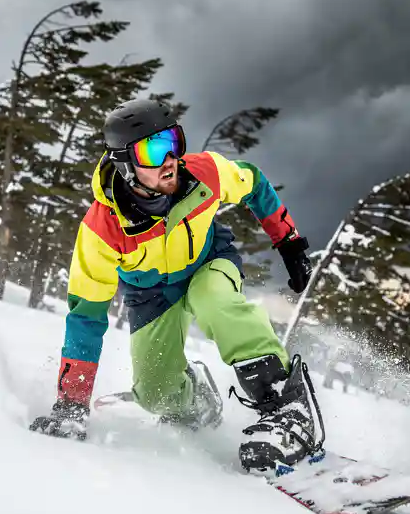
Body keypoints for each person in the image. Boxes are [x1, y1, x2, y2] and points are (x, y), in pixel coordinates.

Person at [29, 98, 325, 472]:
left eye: (172, 141)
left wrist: (289, 241)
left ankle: (286, 405)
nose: (169, 158)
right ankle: (196, 398)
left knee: (213, 299)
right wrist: (71, 406)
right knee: (154, 393)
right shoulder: (101, 230)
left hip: (208, 262)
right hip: (152, 294)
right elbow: (86, 316)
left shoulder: (204, 174)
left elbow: (252, 181)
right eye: (152, 150)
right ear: (125, 164)